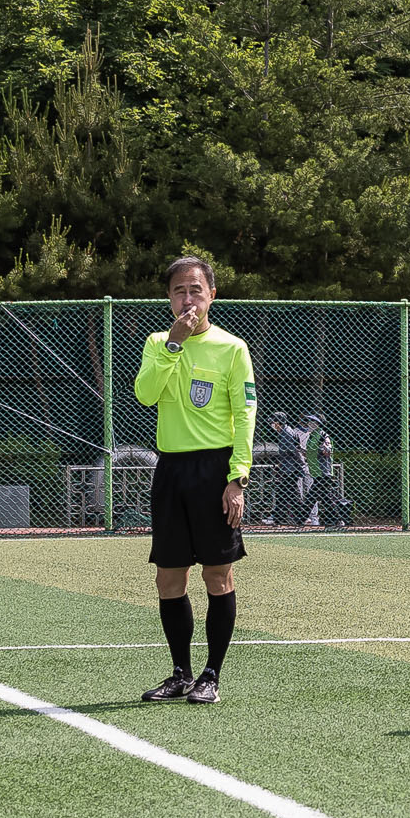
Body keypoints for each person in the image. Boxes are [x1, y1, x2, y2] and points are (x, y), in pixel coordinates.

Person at [132, 256, 255, 705]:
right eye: (180, 291)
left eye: (196, 290)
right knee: (169, 577)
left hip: (215, 471)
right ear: (169, 299)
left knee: (217, 575)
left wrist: (237, 477)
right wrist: (173, 346)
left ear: (212, 296)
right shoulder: (157, 343)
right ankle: (180, 672)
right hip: (171, 470)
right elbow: (145, 394)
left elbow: (245, 416)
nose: (188, 299)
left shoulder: (232, 349)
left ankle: (212, 675)